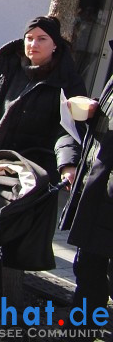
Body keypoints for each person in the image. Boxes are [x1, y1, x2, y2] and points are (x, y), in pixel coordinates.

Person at [0, 15, 85, 270]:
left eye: (41, 39)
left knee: (10, 234)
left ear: (55, 44)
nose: (33, 44)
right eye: (29, 38)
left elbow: (67, 129)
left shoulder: (68, 81)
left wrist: (68, 165)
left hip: (31, 172)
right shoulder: (5, 66)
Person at [59, 76, 111, 319]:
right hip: (99, 193)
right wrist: (96, 109)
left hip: (106, 196)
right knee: (88, 271)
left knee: (94, 274)